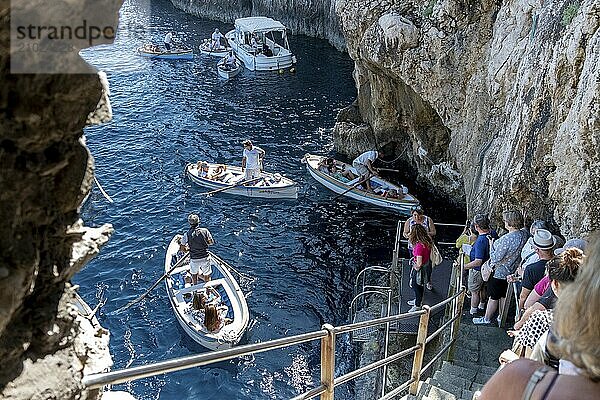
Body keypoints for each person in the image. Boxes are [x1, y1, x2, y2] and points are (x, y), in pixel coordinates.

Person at [477, 240, 600, 400]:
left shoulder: (546, 322)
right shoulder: (588, 322)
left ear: (554, 284)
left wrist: (514, 363)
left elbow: (531, 366)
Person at [473, 210, 529, 325]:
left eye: (505, 221)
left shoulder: (506, 239)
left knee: (493, 297)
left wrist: (491, 245)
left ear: (509, 223)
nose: (504, 222)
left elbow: (495, 258)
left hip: (499, 272)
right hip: (512, 271)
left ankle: (487, 318)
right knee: (504, 296)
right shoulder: (524, 234)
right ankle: (500, 317)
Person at [513, 229, 555, 313]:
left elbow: (523, 296)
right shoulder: (560, 265)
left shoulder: (531, 269)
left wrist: (520, 314)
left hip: (534, 312)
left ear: (537, 250)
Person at [464, 214, 495, 315]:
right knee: (483, 287)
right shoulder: (493, 234)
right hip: (488, 268)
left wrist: (464, 266)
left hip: (477, 269)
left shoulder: (480, 241)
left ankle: (473, 310)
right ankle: (482, 304)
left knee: (474, 291)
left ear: (477, 226)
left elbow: (478, 261)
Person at [403, 205, 437, 290]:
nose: (417, 217)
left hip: (425, 246)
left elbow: (434, 232)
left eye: (418, 215)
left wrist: (425, 234)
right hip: (413, 247)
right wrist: (408, 235)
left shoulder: (428, 220)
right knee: (415, 263)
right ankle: (415, 279)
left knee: (427, 265)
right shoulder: (409, 221)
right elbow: (405, 232)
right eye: (414, 215)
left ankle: (428, 280)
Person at [179, 213, 215, 285]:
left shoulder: (187, 234)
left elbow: (182, 248)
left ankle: (195, 289)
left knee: (194, 275)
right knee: (207, 276)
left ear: (189, 223)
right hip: (205, 257)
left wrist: (188, 249)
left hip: (194, 259)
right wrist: (203, 243)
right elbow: (211, 242)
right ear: (198, 222)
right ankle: (208, 290)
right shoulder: (205, 231)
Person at [407, 224, 433, 312]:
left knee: (415, 285)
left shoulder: (418, 246)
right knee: (420, 285)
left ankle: (417, 304)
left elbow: (419, 263)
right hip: (426, 265)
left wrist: (414, 266)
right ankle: (418, 301)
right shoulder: (426, 242)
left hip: (420, 269)